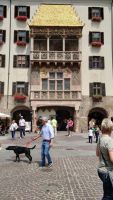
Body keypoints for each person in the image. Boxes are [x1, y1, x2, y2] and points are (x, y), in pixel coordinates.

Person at [96, 118, 113, 200]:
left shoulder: (100, 139)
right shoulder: (110, 141)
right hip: (108, 172)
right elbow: (112, 159)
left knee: (108, 193)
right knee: (109, 196)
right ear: (111, 129)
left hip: (101, 170)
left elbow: (97, 153)